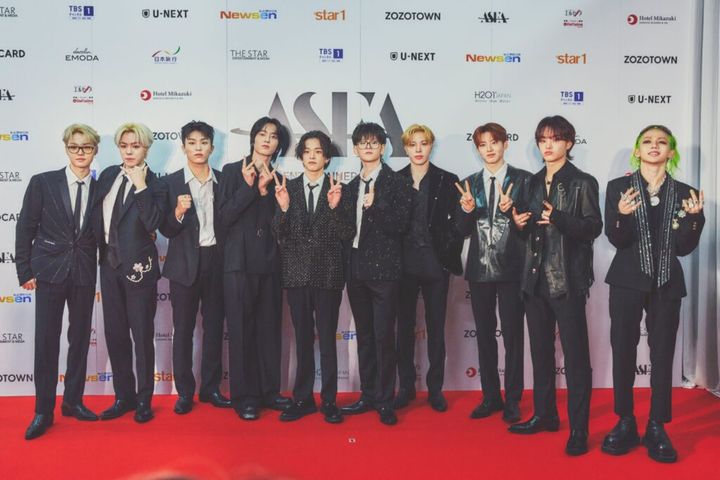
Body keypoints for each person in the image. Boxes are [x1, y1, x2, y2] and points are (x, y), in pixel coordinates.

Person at [601, 125, 704, 463]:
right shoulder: (618, 188)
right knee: (623, 350)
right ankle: (625, 421)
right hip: (626, 280)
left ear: (671, 152)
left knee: (662, 354)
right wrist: (622, 215)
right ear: (637, 151)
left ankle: (657, 425)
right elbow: (617, 239)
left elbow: (684, 248)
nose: (654, 146)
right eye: (647, 141)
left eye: (662, 142)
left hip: (667, 284)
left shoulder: (686, 193)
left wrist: (695, 220)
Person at [509, 115, 602, 456]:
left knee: (576, 359)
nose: (547, 145)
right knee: (540, 354)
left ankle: (579, 429)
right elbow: (526, 230)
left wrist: (560, 218)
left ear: (569, 143)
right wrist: (518, 223)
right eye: (542, 140)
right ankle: (545, 414)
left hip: (567, 281)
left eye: (555, 139)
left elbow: (593, 228)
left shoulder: (582, 182)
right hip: (534, 281)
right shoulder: (531, 183)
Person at [16, 124, 101, 439]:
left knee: (79, 339)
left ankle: (73, 401)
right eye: (74, 147)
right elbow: (25, 227)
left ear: (95, 150)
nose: (80, 153)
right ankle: (43, 410)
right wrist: (24, 270)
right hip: (49, 271)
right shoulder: (43, 182)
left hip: (84, 273)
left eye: (87, 147)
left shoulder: (101, 187)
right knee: (46, 342)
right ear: (66, 148)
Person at [272, 130, 355, 423]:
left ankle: (329, 400)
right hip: (296, 274)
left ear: (327, 158)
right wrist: (283, 209)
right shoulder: (288, 188)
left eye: (318, 151)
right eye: (307, 151)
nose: (311, 156)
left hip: (329, 274)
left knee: (328, 340)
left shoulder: (340, 189)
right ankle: (303, 399)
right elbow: (279, 234)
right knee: (303, 339)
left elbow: (347, 233)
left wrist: (334, 208)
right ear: (300, 156)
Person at [454, 122, 531, 423]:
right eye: (483, 144)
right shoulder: (468, 183)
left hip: (513, 268)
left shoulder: (523, 180)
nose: (489, 149)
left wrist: (515, 210)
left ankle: (513, 400)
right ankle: (490, 397)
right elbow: (461, 231)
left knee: (513, 337)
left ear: (505, 144)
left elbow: (530, 227)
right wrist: (466, 210)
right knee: (485, 336)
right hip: (479, 269)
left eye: (494, 142)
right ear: (477, 149)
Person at [218, 116, 292, 420]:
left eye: (273, 136)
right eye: (262, 133)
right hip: (239, 263)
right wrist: (250, 189)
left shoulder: (280, 178)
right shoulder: (232, 171)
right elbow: (223, 217)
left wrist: (273, 200)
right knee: (241, 330)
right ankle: (245, 397)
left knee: (269, 330)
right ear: (253, 138)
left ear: (278, 145)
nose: (267, 140)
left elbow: (280, 226)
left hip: (270, 263)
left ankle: (269, 391)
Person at [340, 121, 413, 425]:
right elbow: (345, 231)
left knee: (384, 336)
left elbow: (401, 225)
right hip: (356, 268)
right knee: (366, 336)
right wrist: (336, 208)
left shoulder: (397, 183)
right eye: (362, 143)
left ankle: (385, 400)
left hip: (385, 270)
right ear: (356, 149)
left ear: (383, 148)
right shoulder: (349, 187)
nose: (368, 147)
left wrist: (377, 205)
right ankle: (367, 394)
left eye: (374, 142)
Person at [93, 122, 166, 423]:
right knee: (115, 334)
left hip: (139, 270)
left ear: (146, 148)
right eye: (124, 146)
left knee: (142, 335)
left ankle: (144, 399)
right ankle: (123, 397)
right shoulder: (108, 175)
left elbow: (153, 224)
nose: (129, 151)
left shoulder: (157, 184)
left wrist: (141, 186)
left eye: (135, 146)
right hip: (109, 267)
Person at [158, 121, 230, 414]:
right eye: (192, 142)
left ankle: (211, 388)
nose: (198, 147)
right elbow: (165, 229)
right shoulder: (169, 183)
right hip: (184, 265)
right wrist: (177, 212)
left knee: (214, 328)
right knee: (183, 329)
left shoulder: (225, 181)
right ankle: (185, 392)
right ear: (183, 146)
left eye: (203, 142)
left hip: (217, 261)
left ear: (212, 147)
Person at [394, 124, 463, 413]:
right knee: (403, 329)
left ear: (431, 146)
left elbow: (458, 225)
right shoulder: (394, 180)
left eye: (423, 143)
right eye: (413, 144)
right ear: (405, 148)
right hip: (403, 264)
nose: (419, 149)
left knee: (436, 328)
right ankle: (406, 387)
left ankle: (435, 389)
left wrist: (447, 250)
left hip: (435, 263)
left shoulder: (448, 180)